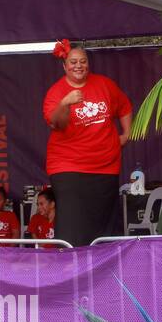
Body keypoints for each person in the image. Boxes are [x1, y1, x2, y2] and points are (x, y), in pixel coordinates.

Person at [43, 40, 132, 246]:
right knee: (73, 225)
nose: (78, 65)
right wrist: (65, 103)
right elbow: (57, 124)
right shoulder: (56, 92)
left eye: (83, 61)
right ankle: (72, 269)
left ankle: (102, 271)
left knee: (103, 227)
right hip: (69, 166)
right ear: (64, 66)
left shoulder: (105, 84)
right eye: (73, 62)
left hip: (106, 167)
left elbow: (124, 107)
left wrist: (127, 134)